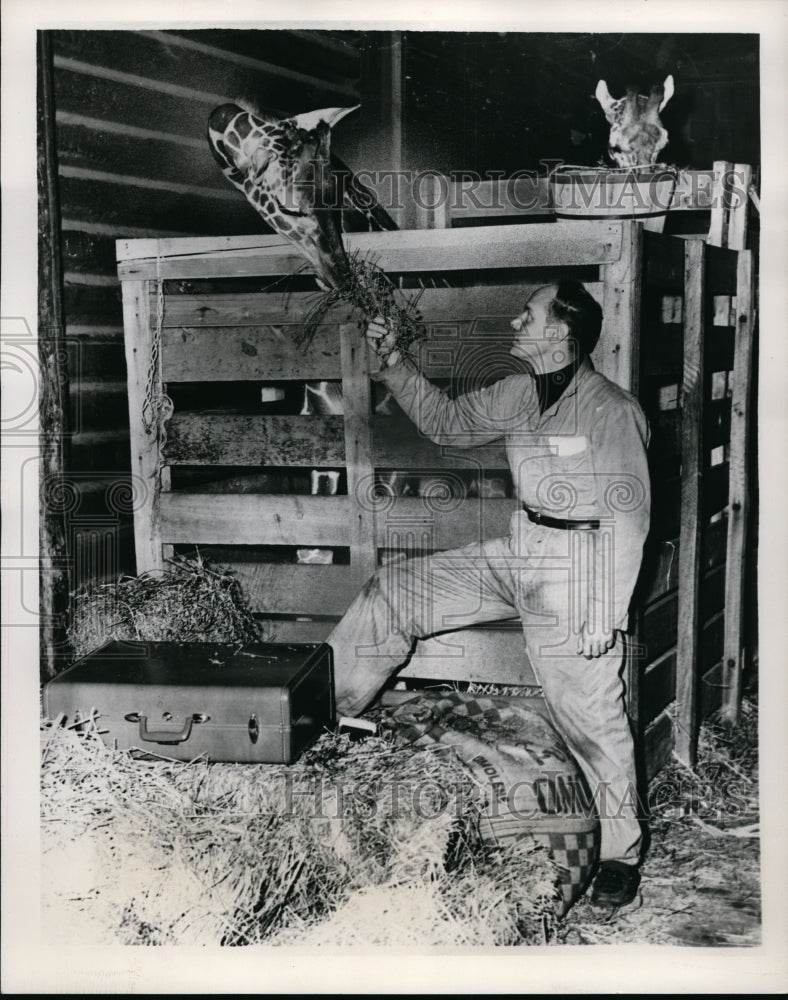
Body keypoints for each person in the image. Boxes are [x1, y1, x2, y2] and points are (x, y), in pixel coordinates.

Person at [326, 279, 651, 908]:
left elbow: (629, 514)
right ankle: (328, 723)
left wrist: (604, 610)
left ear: (559, 333)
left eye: (526, 316)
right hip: (519, 545)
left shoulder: (612, 410)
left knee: (590, 711)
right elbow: (447, 424)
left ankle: (619, 853)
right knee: (393, 592)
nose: (514, 323)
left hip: (578, 566)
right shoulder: (517, 392)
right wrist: (395, 361)